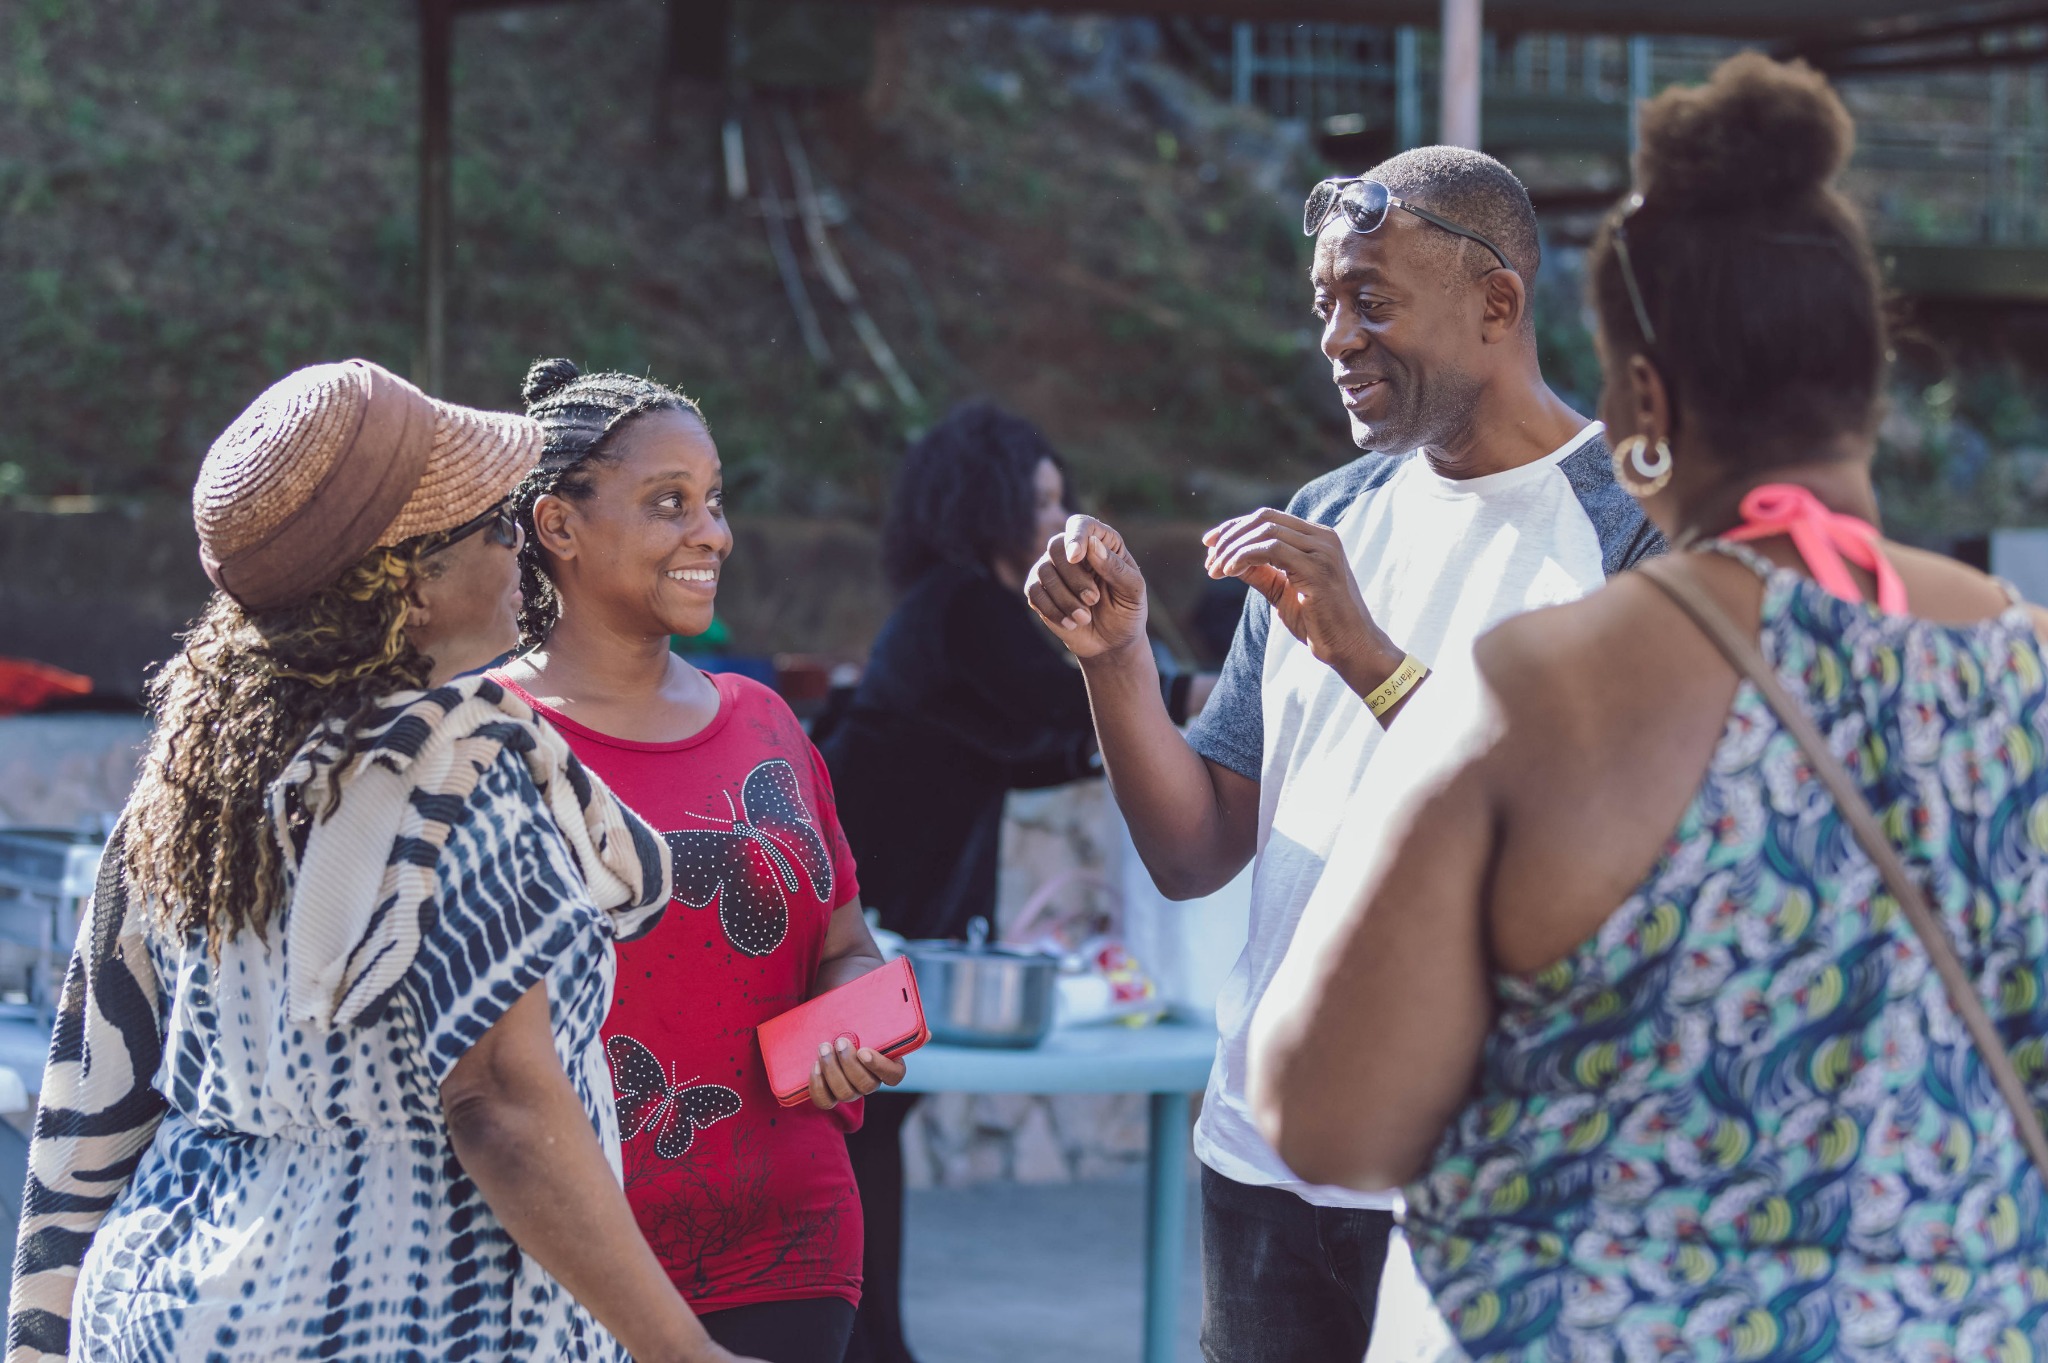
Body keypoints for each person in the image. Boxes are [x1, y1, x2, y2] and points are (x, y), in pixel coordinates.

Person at [1250, 54, 2048, 1360]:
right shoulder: (2027, 665)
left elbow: (1321, 1112)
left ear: (1645, 406)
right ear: (1869, 375)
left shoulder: (1548, 689)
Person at [1025, 147, 1662, 1360]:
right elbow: (1194, 847)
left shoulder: (1638, 525)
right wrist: (1113, 660)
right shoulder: (1328, 516)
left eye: (1371, 299)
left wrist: (1372, 660)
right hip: (1265, 1161)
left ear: (1495, 303)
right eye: (1322, 303)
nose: (1335, 338)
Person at [4, 359, 762, 1363]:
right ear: (405, 584)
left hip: (166, 1305)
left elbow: (98, 1079)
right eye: (496, 529)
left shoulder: (194, 779)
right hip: (383, 1311)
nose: (518, 554)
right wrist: (686, 1353)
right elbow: (500, 1103)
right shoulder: (449, 779)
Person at [492, 359, 901, 1363]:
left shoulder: (764, 723)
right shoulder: (486, 744)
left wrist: (856, 1014)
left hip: (790, 1250)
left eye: (711, 502)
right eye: (668, 503)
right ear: (559, 526)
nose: (710, 532)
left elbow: (842, 938)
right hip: (565, 1267)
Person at [819, 401, 1154, 1363]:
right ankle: (869, 1345)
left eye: (1063, 499)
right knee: (863, 1120)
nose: (1057, 520)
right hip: (868, 893)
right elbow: (1064, 708)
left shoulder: (960, 610)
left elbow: (1034, 748)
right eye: (1036, 500)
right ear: (984, 503)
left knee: (870, 1124)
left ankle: (872, 1344)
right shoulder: (964, 602)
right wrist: (1189, 702)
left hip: (900, 893)